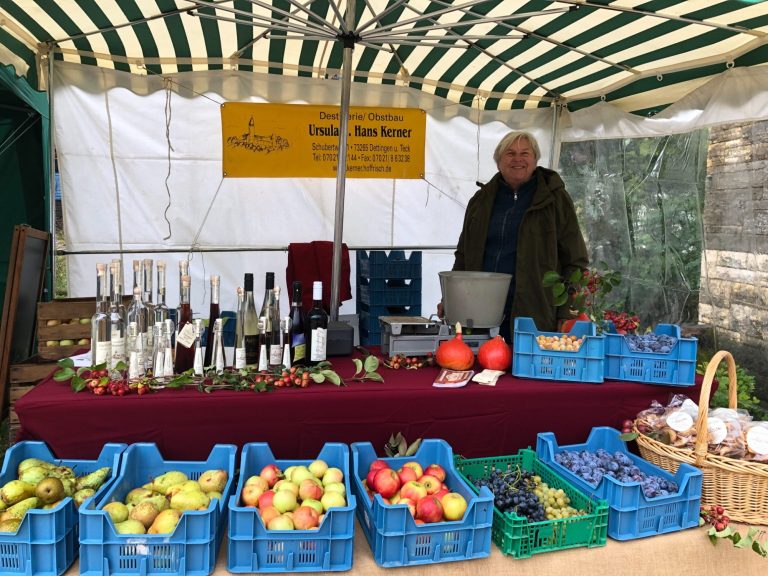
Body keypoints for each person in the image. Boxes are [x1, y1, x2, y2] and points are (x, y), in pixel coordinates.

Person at [446, 130, 589, 340]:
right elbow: (464, 255)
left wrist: (568, 310)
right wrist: (451, 299)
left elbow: (575, 261)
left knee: (525, 369)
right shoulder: (480, 201)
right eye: (510, 153)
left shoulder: (555, 199)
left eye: (525, 153)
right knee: (479, 366)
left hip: (535, 309)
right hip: (480, 310)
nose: (518, 159)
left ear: (535, 159)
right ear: (498, 162)